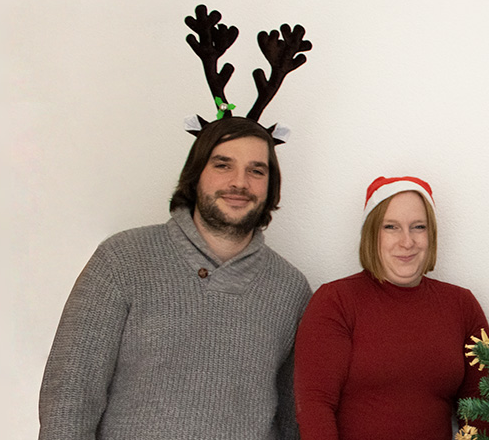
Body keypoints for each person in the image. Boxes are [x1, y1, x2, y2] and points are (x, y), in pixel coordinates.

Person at [38, 116, 311, 439]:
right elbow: (70, 395)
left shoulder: (291, 290)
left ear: (271, 184)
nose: (240, 182)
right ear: (195, 175)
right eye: (223, 165)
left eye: (256, 170)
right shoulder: (122, 259)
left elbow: (296, 418)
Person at [293, 176, 489, 440]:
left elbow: (480, 410)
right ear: (371, 234)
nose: (407, 241)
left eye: (418, 227)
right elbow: (314, 406)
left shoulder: (463, 305)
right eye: (391, 227)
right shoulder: (335, 301)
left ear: (431, 235)